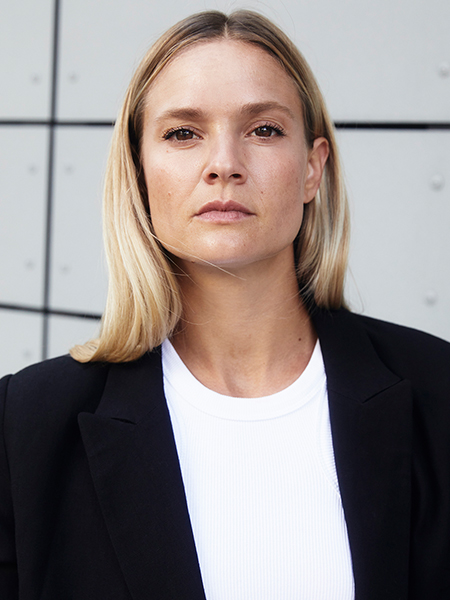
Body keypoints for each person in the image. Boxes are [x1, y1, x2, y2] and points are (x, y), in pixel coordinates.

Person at [0, 9, 449, 600]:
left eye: (263, 129)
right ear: (139, 172)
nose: (224, 165)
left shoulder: (438, 390)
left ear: (312, 169)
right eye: (182, 133)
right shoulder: (25, 425)